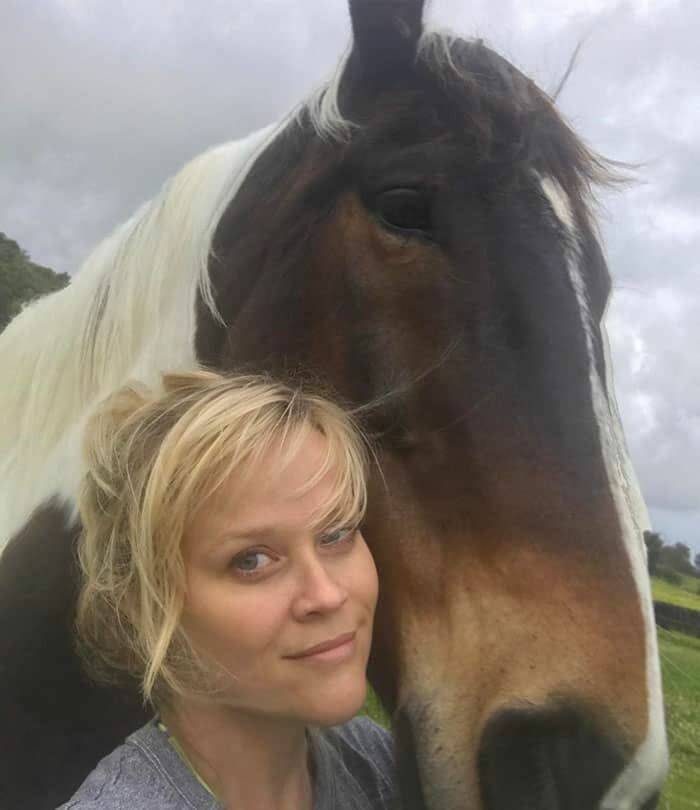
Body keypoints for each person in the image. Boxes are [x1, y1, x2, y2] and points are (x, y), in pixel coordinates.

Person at [59, 369, 396, 810]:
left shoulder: (382, 769)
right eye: (251, 561)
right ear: (143, 606)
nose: (327, 595)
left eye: (336, 535)